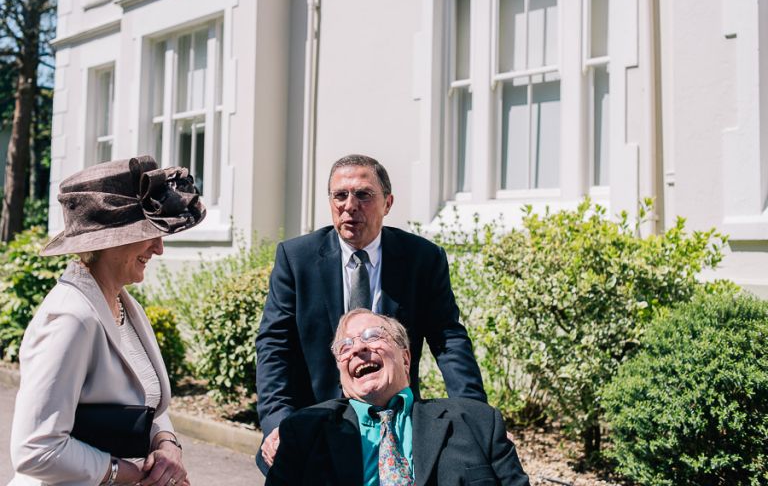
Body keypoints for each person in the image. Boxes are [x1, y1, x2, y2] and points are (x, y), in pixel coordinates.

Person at [256, 154, 487, 472]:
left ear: (388, 203)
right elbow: (274, 346)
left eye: (363, 194)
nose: (349, 205)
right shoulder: (296, 259)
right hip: (315, 417)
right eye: (340, 195)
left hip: (394, 419)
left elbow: (448, 339)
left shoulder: (422, 259)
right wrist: (277, 422)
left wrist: (473, 415)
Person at [9, 156, 205, 486]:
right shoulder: (71, 319)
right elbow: (35, 449)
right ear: (108, 240)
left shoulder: (125, 307)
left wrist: (166, 444)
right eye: (148, 233)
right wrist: (127, 473)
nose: (159, 248)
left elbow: (140, 406)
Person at [266, 309, 530, 486]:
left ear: (405, 358)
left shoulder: (477, 422)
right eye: (345, 347)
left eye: (373, 336)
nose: (358, 348)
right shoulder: (303, 431)